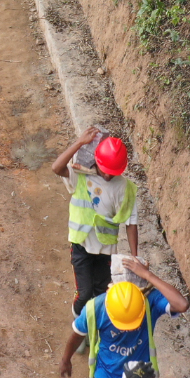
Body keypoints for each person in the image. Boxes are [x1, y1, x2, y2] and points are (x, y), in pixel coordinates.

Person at [52, 126, 138, 313]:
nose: (107, 175)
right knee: (84, 293)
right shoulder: (80, 176)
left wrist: (135, 257)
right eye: (104, 169)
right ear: (96, 161)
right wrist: (79, 143)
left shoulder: (125, 188)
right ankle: (79, 326)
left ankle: (93, 325)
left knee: (101, 293)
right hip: (81, 245)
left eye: (112, 172)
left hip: (105, 250)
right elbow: (56, 167)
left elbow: (131, 224)